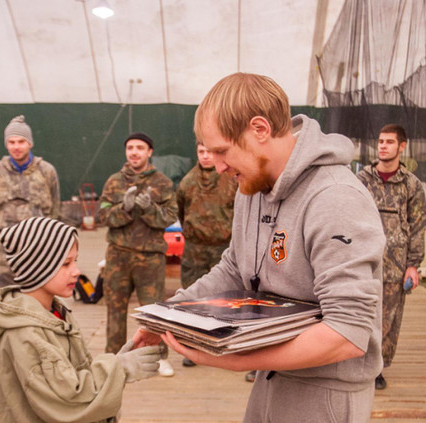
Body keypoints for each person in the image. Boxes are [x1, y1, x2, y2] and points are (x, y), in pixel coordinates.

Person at [141, 72, 385, 422]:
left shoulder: (335, 198)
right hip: (271, 377)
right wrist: (171, 314)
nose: (219, 165)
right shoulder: (252, 185)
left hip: (325, 391)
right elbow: (235, 269)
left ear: (260, 129)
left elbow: (347, 334)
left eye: (223, 151)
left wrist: (236, 358)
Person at [0, 217, 161, 423]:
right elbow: (66, 401)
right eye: (65, 264)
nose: (76, 271)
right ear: (36, 268)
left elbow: (71, 375)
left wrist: (120, 359)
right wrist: (119, 369)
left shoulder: (54, 312)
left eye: (75, 260)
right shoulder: (24, 334)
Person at [0, 114, 61, 386]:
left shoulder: (46, 171)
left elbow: (55, 211)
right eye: (11, 141)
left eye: (21, 141)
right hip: (3, 257)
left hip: (38, 257)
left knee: (39, 310)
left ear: (30, 142)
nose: (16, 146)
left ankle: (42, 363)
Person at [97, 132, 179, 377]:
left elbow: (170, 216)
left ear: (149, 152)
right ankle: (113, 358)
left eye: (140, 147)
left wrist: (148, 208)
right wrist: (125, 208)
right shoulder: (114, 181)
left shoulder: (162, 182)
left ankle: (159, 357)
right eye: (130, 147)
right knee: (115, 310)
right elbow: (103, 215)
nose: (134, 152)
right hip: (118, 256)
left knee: (153, 311)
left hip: (149, 257)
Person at [356, 124, 426, 390]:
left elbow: (418, 226)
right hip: (363, 261)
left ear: (402, 146)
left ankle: (377, 368)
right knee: (359, 313)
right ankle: (355, 361)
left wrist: (413, 266)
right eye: (380, 141)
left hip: (395, 265)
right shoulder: (362, 179)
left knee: (387, 319)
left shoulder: (411, 185)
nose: (383, 146)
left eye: (389, 142)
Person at [174, 139, 237, 367]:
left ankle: (226, 344)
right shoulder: (187, 182)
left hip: (224, 248)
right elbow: (181, 212)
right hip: (195, 250)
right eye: (201, 151)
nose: (206, 156)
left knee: (228, 299)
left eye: (209, 151)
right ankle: (191, 347)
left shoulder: (231, 179)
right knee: (192, 299)